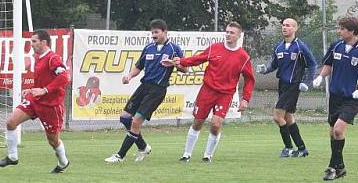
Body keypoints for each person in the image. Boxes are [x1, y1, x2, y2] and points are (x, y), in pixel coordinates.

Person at [312, 16, 358, 181]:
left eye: (342, 29)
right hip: (335, 95)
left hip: (353, 97)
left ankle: (332, 167)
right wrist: (321, 76)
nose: (339, 31)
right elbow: (328, 64)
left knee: (338, 129)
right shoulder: (336, 46)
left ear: (351, 31)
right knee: (333, 132)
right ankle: (340, 167)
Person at [105, 19, 184, 163]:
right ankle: (142, 146)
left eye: (156, 32)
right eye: (152, 32)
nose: (153, 35)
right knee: (124, 118)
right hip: (144, 86)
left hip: (157, 90)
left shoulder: (174, 49)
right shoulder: (148, 48)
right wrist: (129, 75)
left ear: (165, 32)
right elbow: (139, 66)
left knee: (136, 123)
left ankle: (120, 156)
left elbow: (185, 68)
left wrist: (174, 64)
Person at [173, 22, 255, 163]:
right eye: (227, 32)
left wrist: (245, 99)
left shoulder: (243, 57)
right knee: (198, 122)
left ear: (239, 36)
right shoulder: (215, 48)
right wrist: (181, 61)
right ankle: (186, 154)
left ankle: (207, 155)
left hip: (225, 94)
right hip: (207, 91)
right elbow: (197, 59)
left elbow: (249, 79)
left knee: (216, 124)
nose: (228, 34)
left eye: (232, 32)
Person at [0, 29, 71, 173]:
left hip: (51, 106)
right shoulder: (38, 57)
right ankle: (12, 157)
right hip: (35, 100)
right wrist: (31, 89)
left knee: (53, 141)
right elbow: (43, 80)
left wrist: (45, 90)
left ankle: (63, 162)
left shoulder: (52, 58)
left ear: (43, 42)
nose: (31, 44)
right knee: (11, 122)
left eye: (34, 41)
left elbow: (64, 77)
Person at [256, 18, 317, 157]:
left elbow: (313, 65)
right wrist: (265, 69)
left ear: (295, 28)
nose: (285, 27)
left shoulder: (301, 47)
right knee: (288, 118)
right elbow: (274, 65)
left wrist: (306, 83)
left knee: (277, 117)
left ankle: (288, 147)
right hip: (282, 85)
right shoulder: (279, 47)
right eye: (283, 25)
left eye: (288, 25)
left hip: (293, 85)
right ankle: (302, 148)